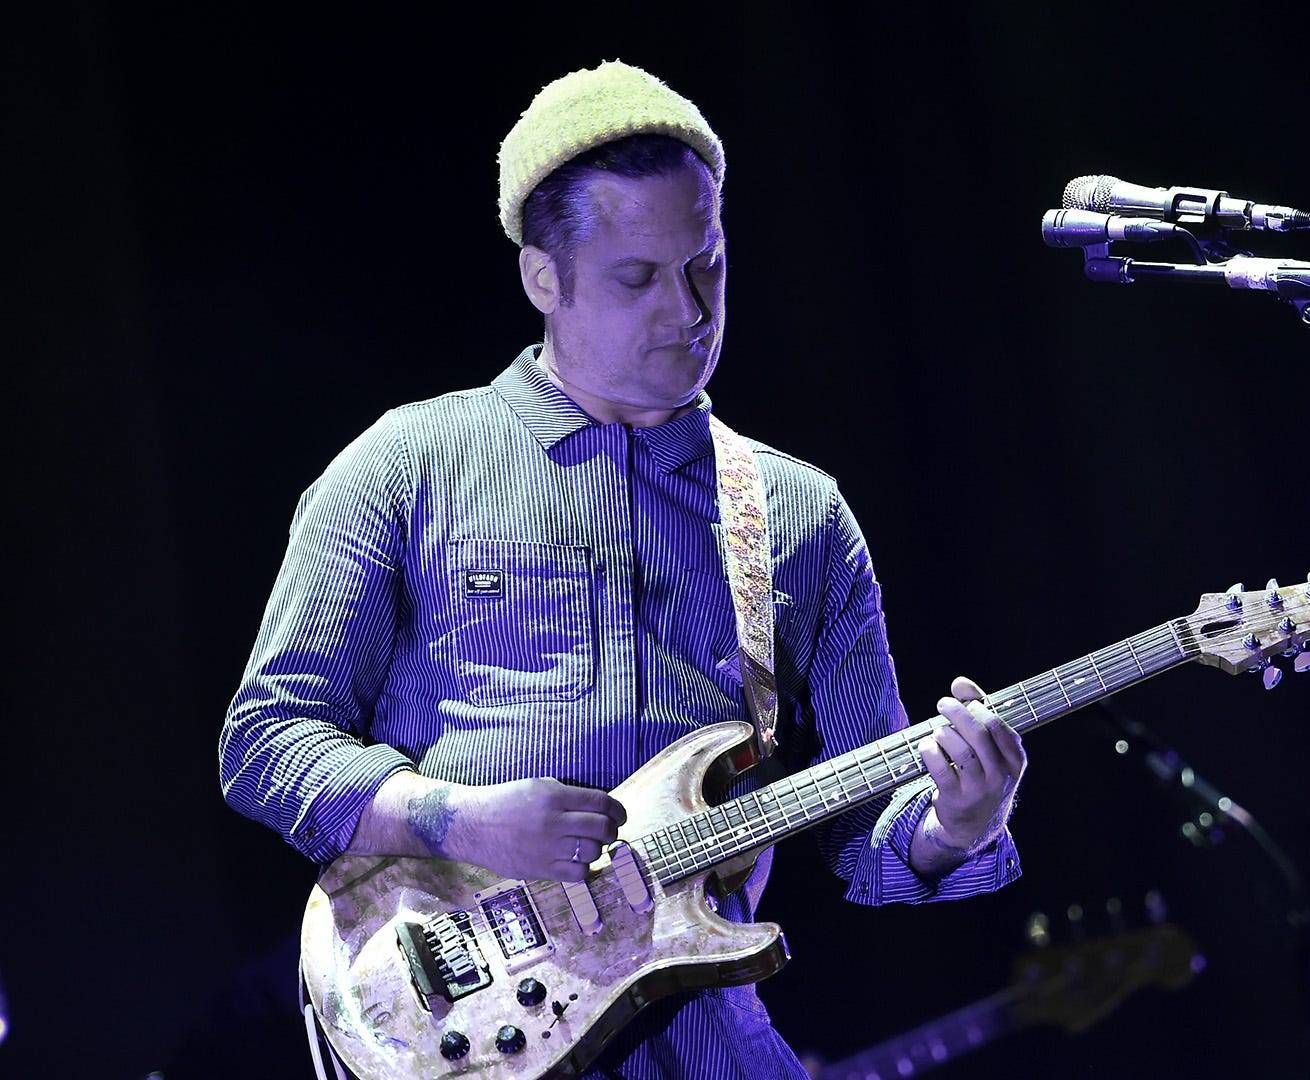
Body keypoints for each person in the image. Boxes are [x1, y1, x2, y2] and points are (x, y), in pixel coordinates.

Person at [218, 61, 1027, 1079]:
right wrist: (460, 819)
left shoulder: (799, 513)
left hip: (715, 1043)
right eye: (637, 278)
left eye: (707, 264)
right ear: (542, 279)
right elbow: (265, 744)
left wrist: (957, 825)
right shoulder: (405, 463)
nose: (687, 309)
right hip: (467, 1028)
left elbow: (866, 827)